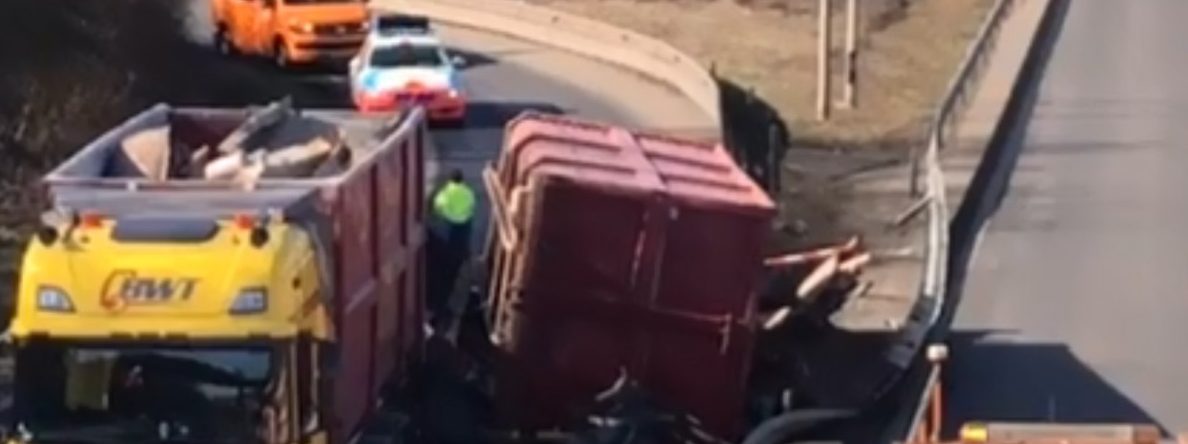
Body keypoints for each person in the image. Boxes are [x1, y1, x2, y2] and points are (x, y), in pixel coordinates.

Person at [432, 169, 476, 259]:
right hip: (464, 221)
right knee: (462, 243)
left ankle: (450, 258)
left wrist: (438, 215)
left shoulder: (446, 192)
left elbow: (438, 205)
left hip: (449, 222)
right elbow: (472, 206)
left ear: (450, 180)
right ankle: (464, 256)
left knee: (449, 244)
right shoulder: (468, 191)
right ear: (462, 180)